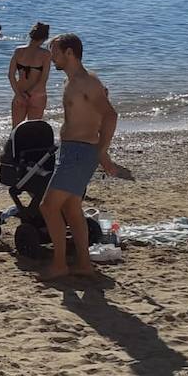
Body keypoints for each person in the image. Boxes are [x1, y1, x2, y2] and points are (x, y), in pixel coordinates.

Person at [39, 33, 121, 281]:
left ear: (69, 53)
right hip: (72, 151)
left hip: (80, 152)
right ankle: (84, 264)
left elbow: (110, 115)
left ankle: (60, 264)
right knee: (72, 208)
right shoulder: (72, 81)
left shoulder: (87, 82)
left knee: (48, 206)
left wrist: (102, 151)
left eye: (54, 52)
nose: (51, 57)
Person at [8, 21, 52, 125]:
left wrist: (19, 94)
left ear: (31, 35)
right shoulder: (46, 54)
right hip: (37, 95)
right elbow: (43, 79)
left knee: (16, 129)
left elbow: (11, 76)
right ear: (45, 38)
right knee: (33, 130)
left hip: (20, 93)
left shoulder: (18, 51)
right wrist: (29, 94)